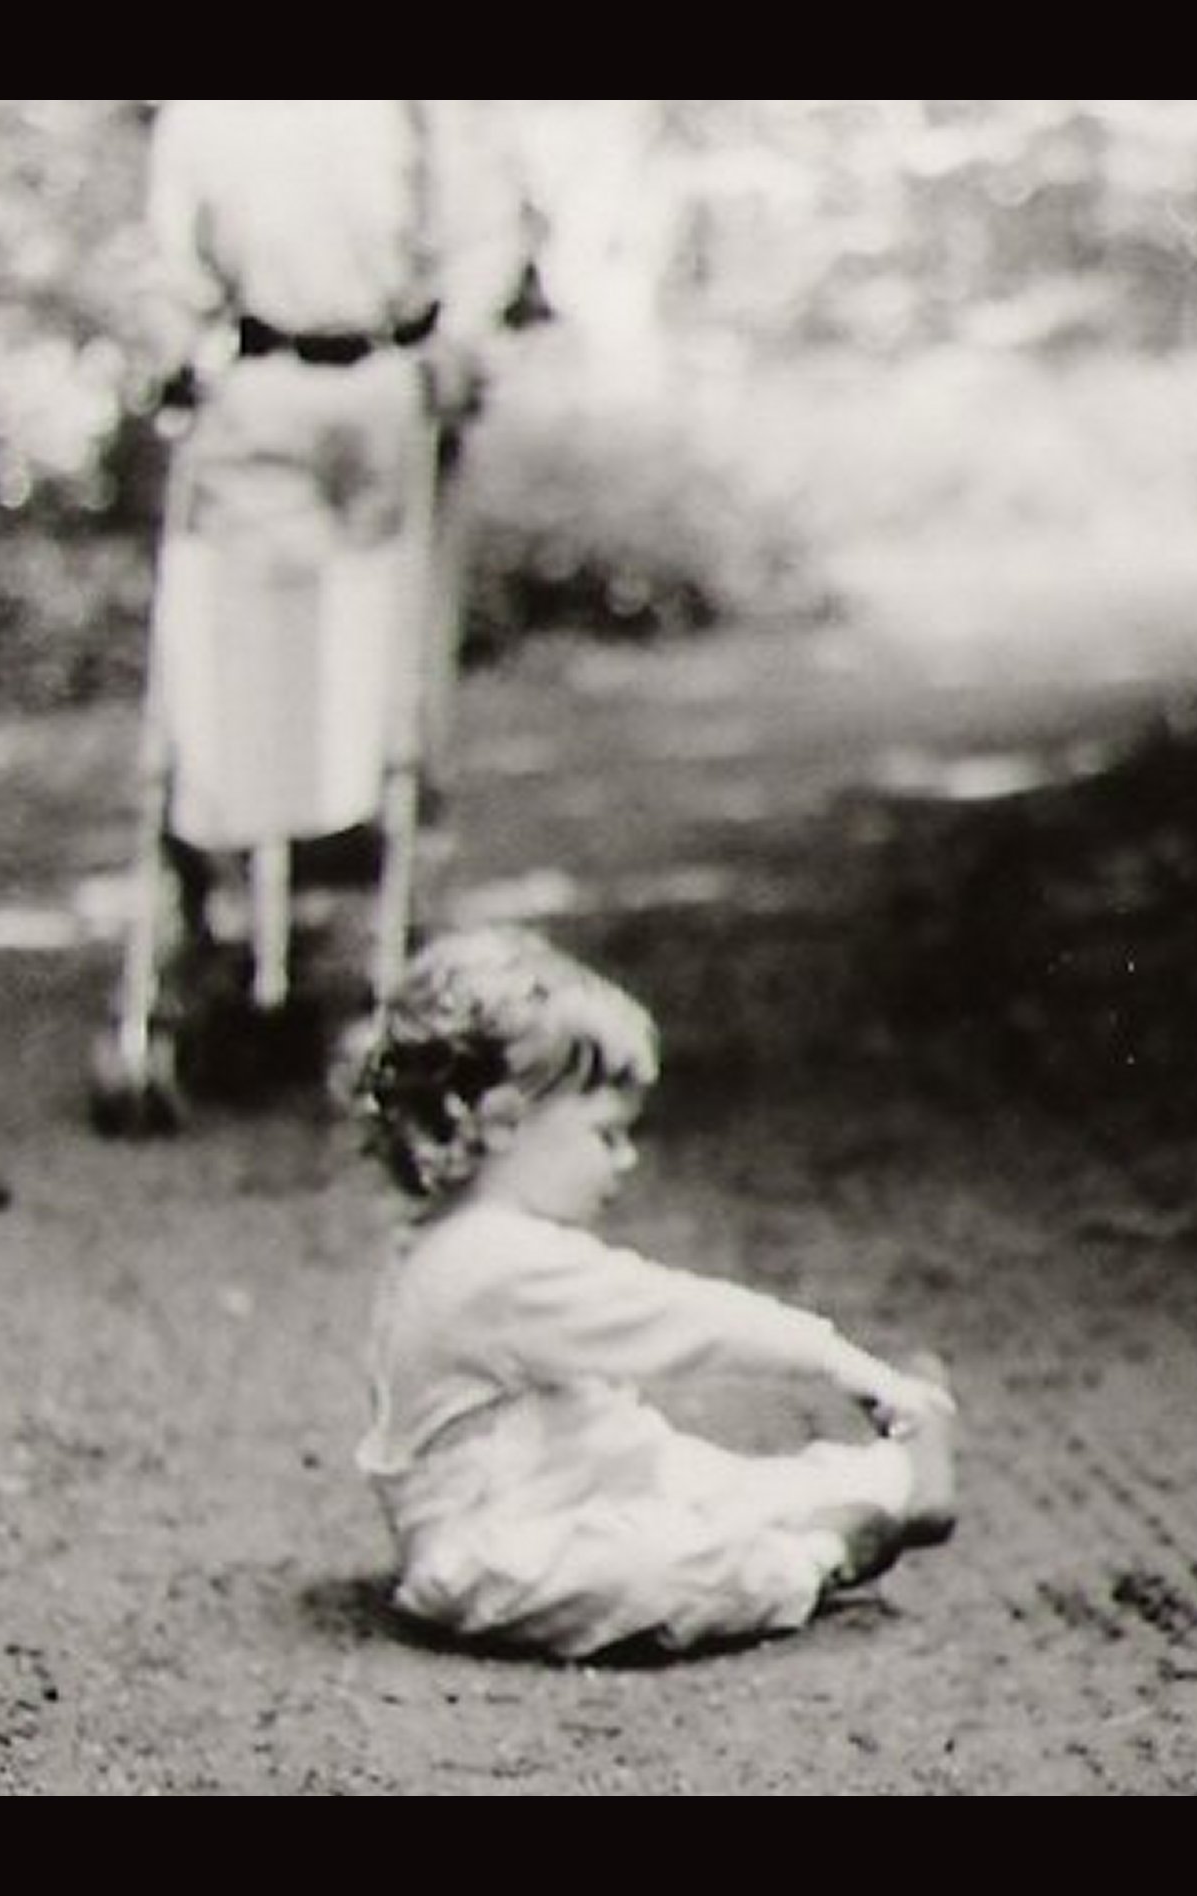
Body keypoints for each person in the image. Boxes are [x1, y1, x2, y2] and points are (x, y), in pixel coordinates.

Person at [337, 927, 962, 1660]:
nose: (625, 1160)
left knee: (693, 1484)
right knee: (651, 1563)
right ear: (504, 1122)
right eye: (606, 1135)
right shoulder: (494, 1263)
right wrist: (842, 1363)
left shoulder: (457, 1240)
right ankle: (826, 1551)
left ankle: (892, 1475)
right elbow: (685, 1320)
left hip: (564, 1481)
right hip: (497, 1546)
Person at [135, 101, 539, 1013]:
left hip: (389, 391)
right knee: (233, 655)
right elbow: (173, 260)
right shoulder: (204, 114)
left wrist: (463, 336)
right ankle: (224, 907)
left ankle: (395, 921)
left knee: (386, 670)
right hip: (256, 393)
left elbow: (482, 222)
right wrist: (172, 347)